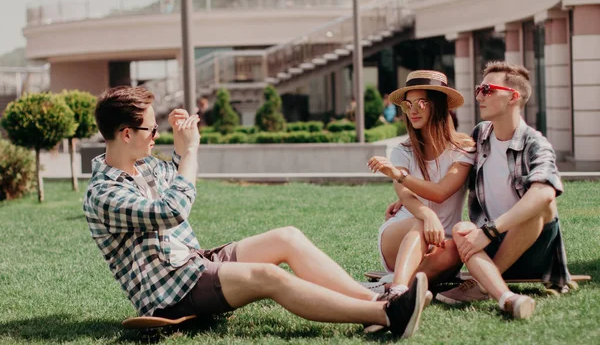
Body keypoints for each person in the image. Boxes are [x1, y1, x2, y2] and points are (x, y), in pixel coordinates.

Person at [82, 86, 429, 338]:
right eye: (151, 128)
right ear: (126, 134)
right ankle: (385, 314)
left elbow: (175, 181)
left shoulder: (144, 166)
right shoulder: (104, 193)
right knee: (268, 276)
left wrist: (180, 149)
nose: (155, 134)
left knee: (287, 237)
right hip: (170, 294)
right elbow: (173, 209)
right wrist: (189, 155)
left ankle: (376, 298)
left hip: (192, 264)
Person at [435, 61, 571, 319]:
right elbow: (450, 170)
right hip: (489, 247)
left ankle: (481, 285)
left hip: (533, 251)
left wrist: (490, 230)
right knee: (463, 229)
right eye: (479, 88)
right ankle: (502, 294)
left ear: (513, 97)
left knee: (542, 206)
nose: (479, 96)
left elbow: (545, 193)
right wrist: (410, 196)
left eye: (487, 89)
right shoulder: (480, 134)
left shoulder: (536, 143)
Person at [366, 70, 475, 309]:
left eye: (421, 103)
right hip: (402, 233)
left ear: (438, 105)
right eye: (408, 104)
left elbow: (441, 192)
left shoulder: (464, 147)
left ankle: (390, 285)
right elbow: (405, 195)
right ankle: (397, 293)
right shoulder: (402, 150)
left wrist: (399, 175)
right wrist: (426, 215)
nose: (413, 110)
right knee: (420, 223)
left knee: (460, 245)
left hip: (442, 241)